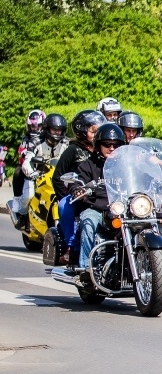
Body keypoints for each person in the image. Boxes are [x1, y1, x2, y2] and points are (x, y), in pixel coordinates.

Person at [53, 110, 107, 264]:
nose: (96, 134)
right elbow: (58, 177)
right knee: (64, 206)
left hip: (99, 195)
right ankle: (70, 246)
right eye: (93, 131)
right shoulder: (73, 150)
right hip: (77, 191)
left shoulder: (103, 149)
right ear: (82, 131)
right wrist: (66, 195)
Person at [72, 123, 126, 273]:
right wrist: (78, 189)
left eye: (116, 145)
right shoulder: (89, 165)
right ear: (98, 145)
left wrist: (159, 185)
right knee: (88, 224)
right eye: (107, 144)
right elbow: (79, 180)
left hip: (122, 210)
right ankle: (85, 270)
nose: (111, 148)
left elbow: (140, 177)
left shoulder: (124, 166)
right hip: (96, 209)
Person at [9, 110, 46, 218]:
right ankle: (17, 199)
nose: (35, 129)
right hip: (30, 169)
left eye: (38, 126)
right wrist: (24, 152)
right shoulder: (26, 138)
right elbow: (21, 150)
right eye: (32, 127)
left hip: (45, 169)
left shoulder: (47, 138)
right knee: (18, 171)